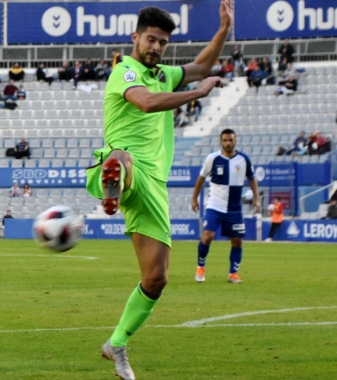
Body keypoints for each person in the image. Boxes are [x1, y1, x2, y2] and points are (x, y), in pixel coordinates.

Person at [84, 3, 233, 378]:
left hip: (155, 185)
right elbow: (147, 103)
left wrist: (223, 31)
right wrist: (197, 93)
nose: (156, 47)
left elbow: (200, 66)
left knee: (157, 277)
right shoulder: (125, 70)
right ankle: (113, 185)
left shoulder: (163, 74)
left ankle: (116, 344)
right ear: (136, 37)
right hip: (119, 165)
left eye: (163, 43)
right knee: (121, 157)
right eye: (151, 39)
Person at [192, 128, 259, 284]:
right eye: (225, 140)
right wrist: (194, 199)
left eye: (231, 140)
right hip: (215, 205)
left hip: (234, 208)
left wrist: (256, 199)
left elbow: (252, 178)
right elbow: (201, 178)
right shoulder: (212, 158)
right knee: (208, 236)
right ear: (220, 142)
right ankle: (200, 267)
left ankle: (233, 274)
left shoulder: (244, 159)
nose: (228, 143)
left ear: (235, 141)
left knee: (237, 241)